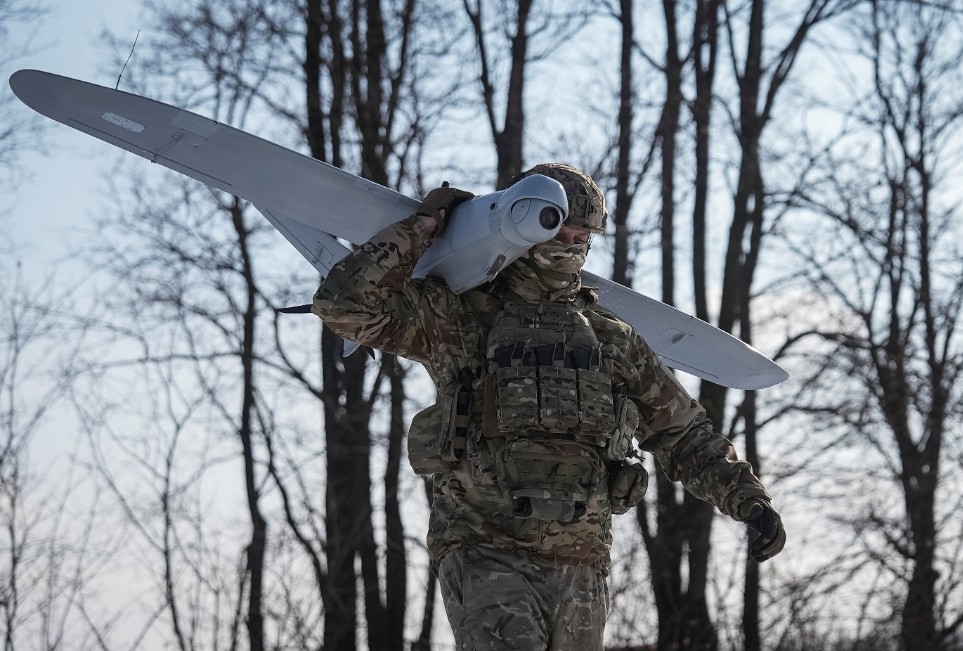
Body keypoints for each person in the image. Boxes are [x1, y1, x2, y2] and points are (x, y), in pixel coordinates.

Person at [312, 163, 785, 650]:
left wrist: (748, 499)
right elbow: (345, 306)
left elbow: (683, 434)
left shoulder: (611, 338)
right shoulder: (457, 314)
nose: (573, 242)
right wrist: (423, 227)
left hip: (582, 564)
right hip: (485, 550)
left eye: (585, 233)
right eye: (563, 227)